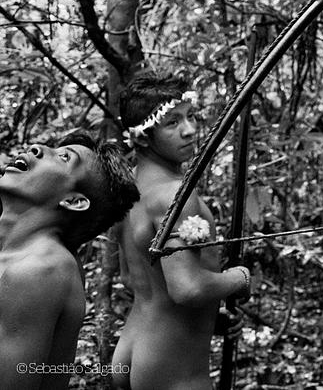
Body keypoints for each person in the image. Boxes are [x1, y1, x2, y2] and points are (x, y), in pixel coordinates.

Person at [111, 72, 251, 390]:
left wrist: (208, 319)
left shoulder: (129, 187)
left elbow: (132, 278)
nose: (189, 130)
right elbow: (186, 288)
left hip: (135, 348)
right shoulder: (174, 194)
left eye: (190, 117)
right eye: (172, 123)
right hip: (170, 366)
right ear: (143, 137)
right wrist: (239, 279)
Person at [0, 131, 139, 389]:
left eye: (63, 157)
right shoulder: (36, 256)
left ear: (74, 201)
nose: (38, 147)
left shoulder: (42, 269)